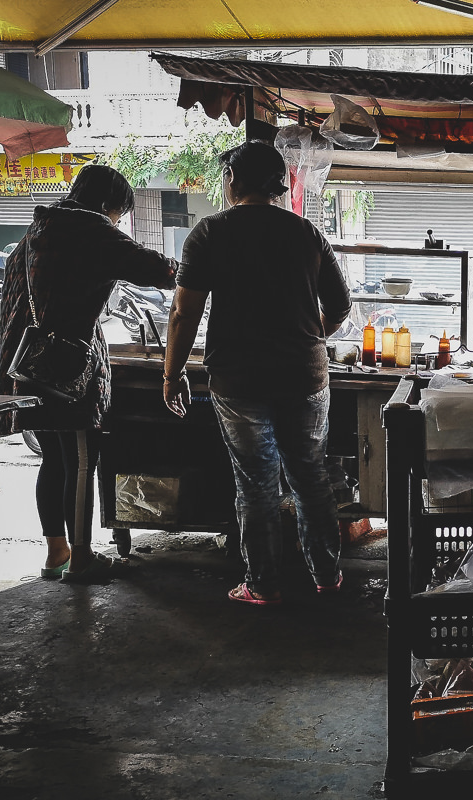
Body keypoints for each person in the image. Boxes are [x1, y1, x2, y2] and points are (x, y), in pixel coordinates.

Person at [162, 140, 352, 605]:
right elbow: (341, 305)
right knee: (310, 477)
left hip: (238, 380)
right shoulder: (306, 234)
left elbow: (184, 314)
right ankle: (327, 576)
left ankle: (263, 584)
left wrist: (172, 374)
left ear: (233, 181)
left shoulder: (209, 233)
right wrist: (309, 339)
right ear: (278, 184)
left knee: (256, 483)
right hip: (305, 378)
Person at [0, 164, 177, 583]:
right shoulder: (89, 229)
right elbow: (158, 269)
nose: (117, 223)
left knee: (54, 462)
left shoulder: (35, 233)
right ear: (105, 205)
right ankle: (81, 558)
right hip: (67, 369)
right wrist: (201, 266)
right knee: (80, 461)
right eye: (118, 214)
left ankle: (55, 552)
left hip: (28, 365)